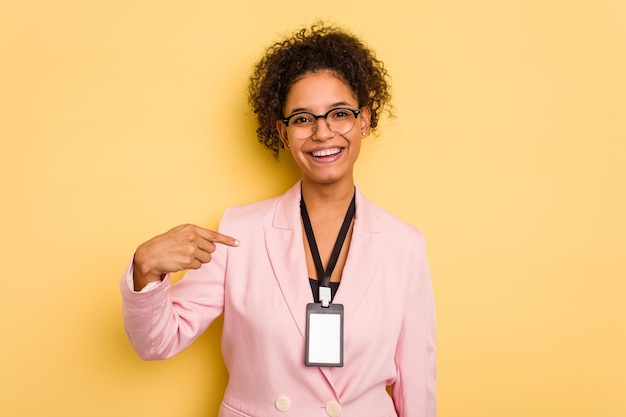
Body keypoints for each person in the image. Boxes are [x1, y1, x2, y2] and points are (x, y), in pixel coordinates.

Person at [121, 22, 436, 417]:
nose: (323, 133)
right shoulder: (240, 231)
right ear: (283, 134)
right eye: (303, 119)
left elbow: (417, 384)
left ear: (365, 121)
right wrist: (145, 268)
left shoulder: (404, 244)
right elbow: (156, 343)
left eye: (339, 114)